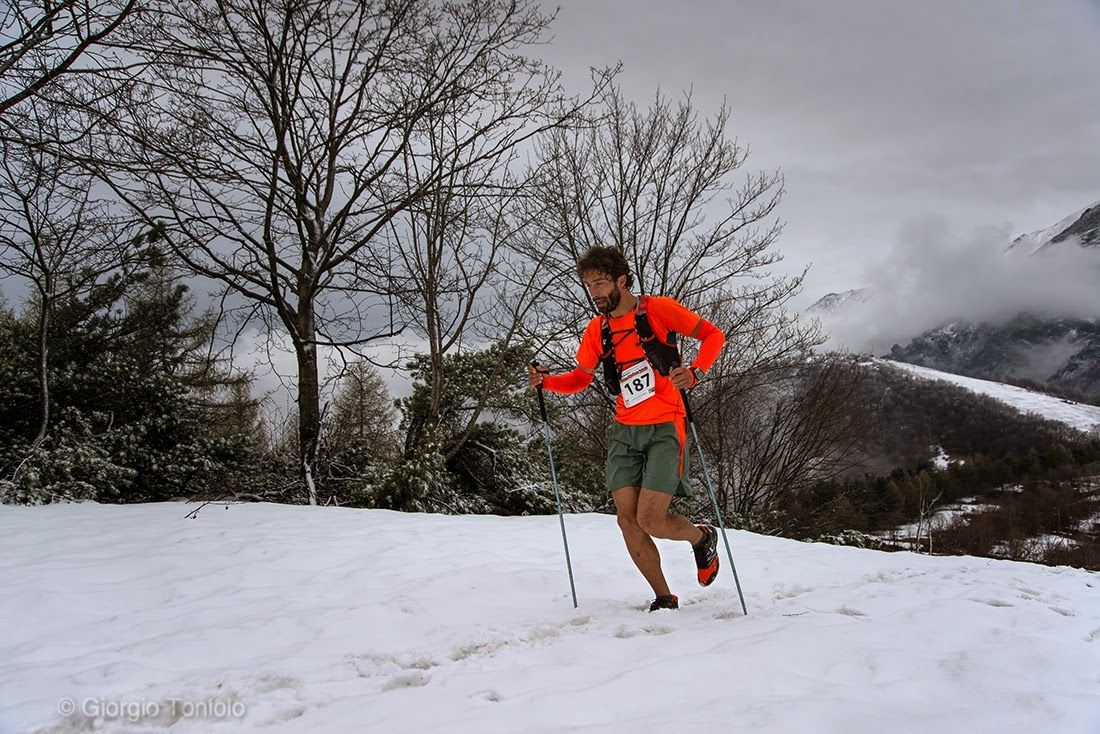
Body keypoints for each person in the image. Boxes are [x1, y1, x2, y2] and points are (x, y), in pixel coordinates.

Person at [528, 245, 726, 612]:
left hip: (666, 425)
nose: (595, 293)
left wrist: (695, 372)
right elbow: (580, 379)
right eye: (589, 286)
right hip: (624, 430)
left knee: (651, 519)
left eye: (600, 283)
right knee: (627, 520)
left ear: (621, 279)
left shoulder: (659, 311)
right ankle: (665, 597)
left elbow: (714, 336)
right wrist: (547, 382)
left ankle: (701, 538)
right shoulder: (596, 330)